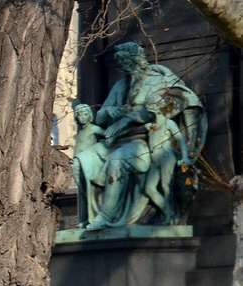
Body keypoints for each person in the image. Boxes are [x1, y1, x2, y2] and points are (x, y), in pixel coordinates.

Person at [84, 42, 204, 230]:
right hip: (115, 141)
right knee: (82, 160)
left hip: (142, 142)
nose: (123, 67)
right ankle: (86, 219)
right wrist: (109, 111)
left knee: (117, 160)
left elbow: (161, 110)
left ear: (137, 60)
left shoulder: (157, 82)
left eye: (126, 62)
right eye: (121, 64)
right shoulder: (120, 85)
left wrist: (124, 121)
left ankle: (105, 217)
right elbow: (99, 118)